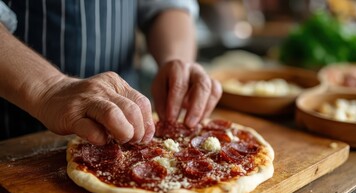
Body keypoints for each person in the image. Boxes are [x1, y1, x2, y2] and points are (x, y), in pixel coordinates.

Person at [0, 0, 222, 145]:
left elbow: (166, 5)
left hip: (126, 123)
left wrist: (177, 62)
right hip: (13, 128)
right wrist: (48, 89)